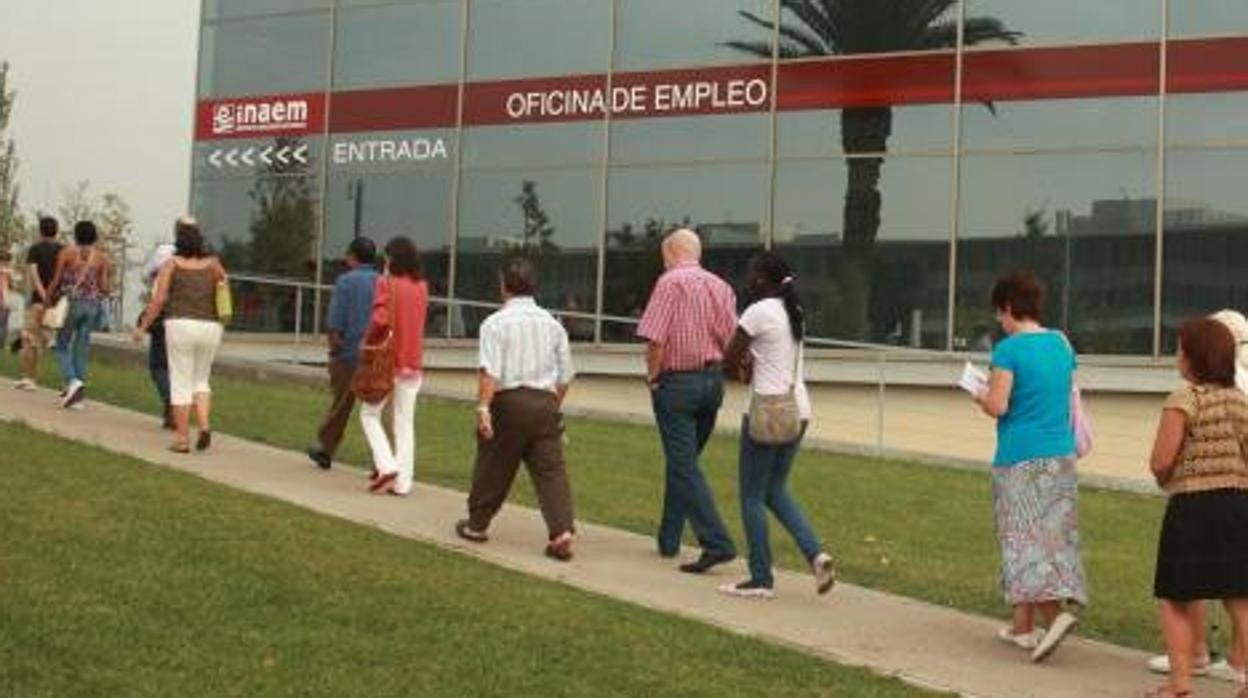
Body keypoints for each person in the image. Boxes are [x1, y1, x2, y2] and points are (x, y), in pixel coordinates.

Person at [974, 271, 1086, 663]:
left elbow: (999, 405)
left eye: (999, 313)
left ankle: (1054, 617)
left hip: (1020, 456)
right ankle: (1022, 627)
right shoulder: (1060, 343)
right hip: (1061, 454)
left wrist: (979, 395)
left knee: (1021, 537)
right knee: (1050, 536)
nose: (999, 321)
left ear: (1007, 307)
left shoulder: (1008, 350)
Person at [719, 252, 835, 599]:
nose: (749, 279)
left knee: (752, 496)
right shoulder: (794, 311)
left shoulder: (758, 311)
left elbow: (729, 360)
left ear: (762, 279)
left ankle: (760, 578)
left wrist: (741, 373)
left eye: (752, 273)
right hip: (798, 409)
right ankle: (816, 555)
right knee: (775, 490)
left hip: (768, 411)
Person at [1145, 317, 1248, 698]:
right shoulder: (1239, 400)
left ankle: (1180, 683)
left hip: (1192, 506)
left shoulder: (1183, 399)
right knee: (1240, 595)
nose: (1177, 356)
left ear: (1193, 358)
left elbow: (1160, 460)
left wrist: (1165, 476)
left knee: (1177, 596)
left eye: (1180, 348)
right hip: (1238, 504)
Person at [454, 256, 577, 560]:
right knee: (551, 471)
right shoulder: (553, 324)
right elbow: (565, 375)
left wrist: (483, 408)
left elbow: (490, 372)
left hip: (508, 402)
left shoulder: (495, 323)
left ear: (504, 286)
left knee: (494, 464)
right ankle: (561, 530)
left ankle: (477, 524)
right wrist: (552, 405)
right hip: (546, 402)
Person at [637, 228, 738, 574]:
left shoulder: (669, 283)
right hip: (712, 381)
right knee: (684, 460)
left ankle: (717, 542)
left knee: (683, 465)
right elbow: (731, 339)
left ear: (670, 252)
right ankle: (669, 538)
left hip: (677, 383)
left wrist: (652, 377)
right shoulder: (720, 286)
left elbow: (655, 339)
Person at [133, 218, 227, 453]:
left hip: (180, 325)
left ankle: (182, 439)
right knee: (201, 379)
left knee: (181, 382)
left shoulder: (172, 264)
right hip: (210, 327)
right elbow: (224, 290)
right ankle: (204, 425)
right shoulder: (214, 264)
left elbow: (160, 299)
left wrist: (143, 327)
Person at [361, 236, 428, 497]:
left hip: (388, 360)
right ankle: (403, 482)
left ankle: (387, 465)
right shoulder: (422, 287)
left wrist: (366, 342)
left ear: (392, 259)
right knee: (405, 423)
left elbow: (379, 320)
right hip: (413, 361)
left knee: (368, 414)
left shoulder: (385, 283)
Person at [307, 237, 382, 470]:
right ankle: (381, 460)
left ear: (352, 256)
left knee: (340, 405)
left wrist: (334, 349)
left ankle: (325, 447)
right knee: (373, 410)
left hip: (349, 353)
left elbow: (335, 323)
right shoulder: (383, 282)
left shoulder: (345, 282)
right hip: (377, 354)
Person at [48, 220, 111, 409]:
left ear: (76, 235)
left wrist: (47, 301)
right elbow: (105, 287)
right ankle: (78, 397)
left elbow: (56, 280)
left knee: (61, 344)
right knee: (81, 350)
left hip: (72, 304)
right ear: (94, 236)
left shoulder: (67, 253)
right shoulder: (101, 258)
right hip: (92, 306)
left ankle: (72, 381)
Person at [13, 216, 63, 391]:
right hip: (58, 302)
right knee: (48, 341)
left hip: (38, 301)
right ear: (56, 230)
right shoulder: (63, 250)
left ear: (40, 231)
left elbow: (33, 275)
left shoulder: (34, 250)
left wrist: (43, 296)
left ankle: (29, 378)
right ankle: (65, 380)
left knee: (29, 340)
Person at [143, 240, 177, 429]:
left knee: (158, 367)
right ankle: (169, 415)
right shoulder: (185, 270)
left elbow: (158, 300)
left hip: (164, 323)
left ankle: (171, 402)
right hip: (182, 323)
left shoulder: (161, 274)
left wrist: (144, 324)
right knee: (174, 369)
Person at [0, 250, 12, 350]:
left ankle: (3, 343)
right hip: (3, 300)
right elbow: (3, 287)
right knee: (3, 324)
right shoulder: (5, 271)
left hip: (5, 298)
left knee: (3, 323)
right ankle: (2, 344)